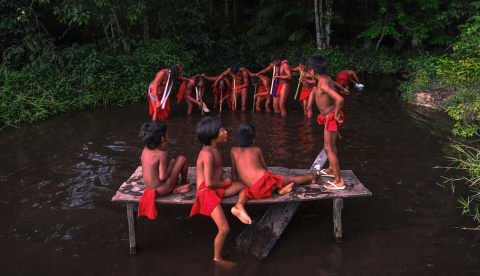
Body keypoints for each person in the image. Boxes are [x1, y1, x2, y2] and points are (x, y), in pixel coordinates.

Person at [230, 123, 316, 224]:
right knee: (291, 179)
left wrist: (236, 183)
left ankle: (239, 205)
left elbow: (234, 171)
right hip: (263, 187)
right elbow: (265, 169)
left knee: (244, 190)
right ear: (253, 140)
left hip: (252, 190)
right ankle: (311, 176)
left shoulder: (233, 151)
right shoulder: (256, 150)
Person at [190, 117, 244, 267]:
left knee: (244, 186)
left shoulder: (213, 148)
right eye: (222, 130)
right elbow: (208, 183)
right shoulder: (207, 154)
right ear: (213, 137)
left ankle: (239, 207)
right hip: (206, 191)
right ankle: (218, 259)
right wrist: (224, 182)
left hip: (215, 188)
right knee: (224, 228)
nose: (226, 132)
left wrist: (222, 182)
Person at [137, 120, 192, 219]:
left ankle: (175, 186)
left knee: (175, 161)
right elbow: (162, 177)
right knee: (182, 159)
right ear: (162, 138)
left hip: (150, 188)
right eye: (166, 132)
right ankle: (182, 183)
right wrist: (171, 164)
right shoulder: (161, 154)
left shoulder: (145, 149)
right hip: (161, 190)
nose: (168, 133)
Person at [307, 54, 345, 190]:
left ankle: (339, 180)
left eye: (308, 71)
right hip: (329, 116)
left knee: (328, 148)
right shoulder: (326, 78)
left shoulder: (322, 84)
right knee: (330, 145)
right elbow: (334, 84)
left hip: (331, 117)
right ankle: (330, 169)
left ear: (312, 71)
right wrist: (343, 88)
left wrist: (335, 115)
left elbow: (339, 99)